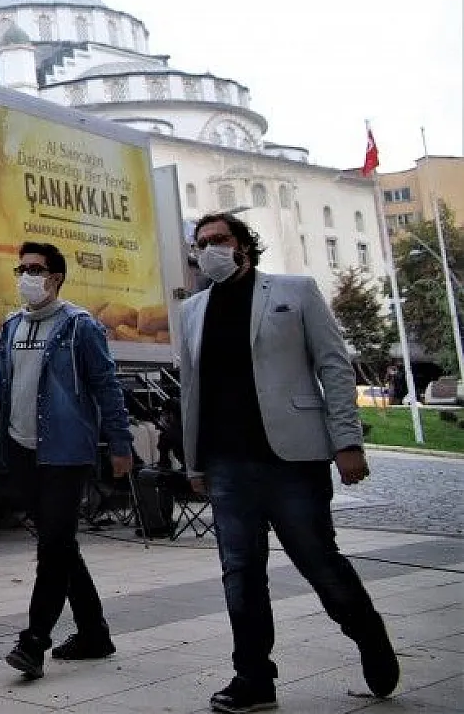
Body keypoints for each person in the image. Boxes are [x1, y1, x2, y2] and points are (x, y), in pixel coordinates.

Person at [178, 211, 399, 713]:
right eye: (202, 242)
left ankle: (368, 635)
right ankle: (254, 679)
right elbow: (192, 390)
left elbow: (333, 364)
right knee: (240, 572)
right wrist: (194, 462)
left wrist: (348, 441)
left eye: (219, 239)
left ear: (243, 245)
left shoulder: (294, 291)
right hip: (227, 464)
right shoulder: (193, 310)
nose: (209, 248)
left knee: (317, 560)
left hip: (292, 459)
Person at [0, 241, 133, 679]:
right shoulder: (13, 324)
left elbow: (106, 386)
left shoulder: (80, 326)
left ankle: (35, 641)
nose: (25, 277)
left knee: (53, 547)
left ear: (56, 278)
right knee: (59, 545)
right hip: (22, 449)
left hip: (65, 452)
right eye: (21, 269)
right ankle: (94, 633)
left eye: (35, 269)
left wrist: (119, 444)